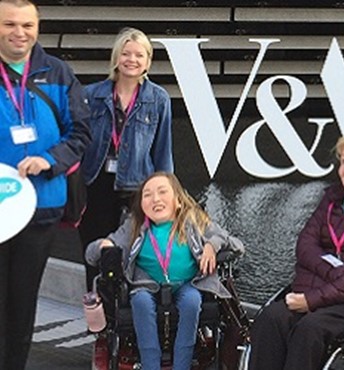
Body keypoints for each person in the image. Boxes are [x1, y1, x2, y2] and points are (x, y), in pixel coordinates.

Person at [247, 136, 344, 370]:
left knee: (310, 329)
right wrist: (338, 272)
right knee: (270, 318)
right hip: (310, 288)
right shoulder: (331, 199)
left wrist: (311, 301)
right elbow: (306, 245)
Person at [0, 0, 91, 368]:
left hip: (40, 208)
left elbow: (81, 132)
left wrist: (50, 159)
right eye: (9, 24)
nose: (19, 33)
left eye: (27, 25)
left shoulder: (57, 73)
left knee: (22, 304)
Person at [85, 172, 244, 370]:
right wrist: (105, 245)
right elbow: (90, 255)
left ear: (178, 200)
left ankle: (182, 366)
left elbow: (236, 245)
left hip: (188, 283)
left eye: (162, 192)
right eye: (148, 194)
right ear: (141, 204)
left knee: (192, 301)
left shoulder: (194, 221)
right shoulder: (133, 225)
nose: (156, 199)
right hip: (146, 284)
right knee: (140, 301)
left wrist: (212, 245)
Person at [80, 27, 173, 291]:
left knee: (137, 251)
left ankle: (130, 312)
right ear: (116, 57)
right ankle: (98, 313)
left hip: (138, 186)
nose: (132, 60)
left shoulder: (158, 99)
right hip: (96, 183)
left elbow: (163, 151)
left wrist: (166, 193)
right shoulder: (91, 95)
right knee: (96, 251)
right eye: (126, 53)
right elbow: (78, 143)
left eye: (139, 55)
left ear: (148, 60)